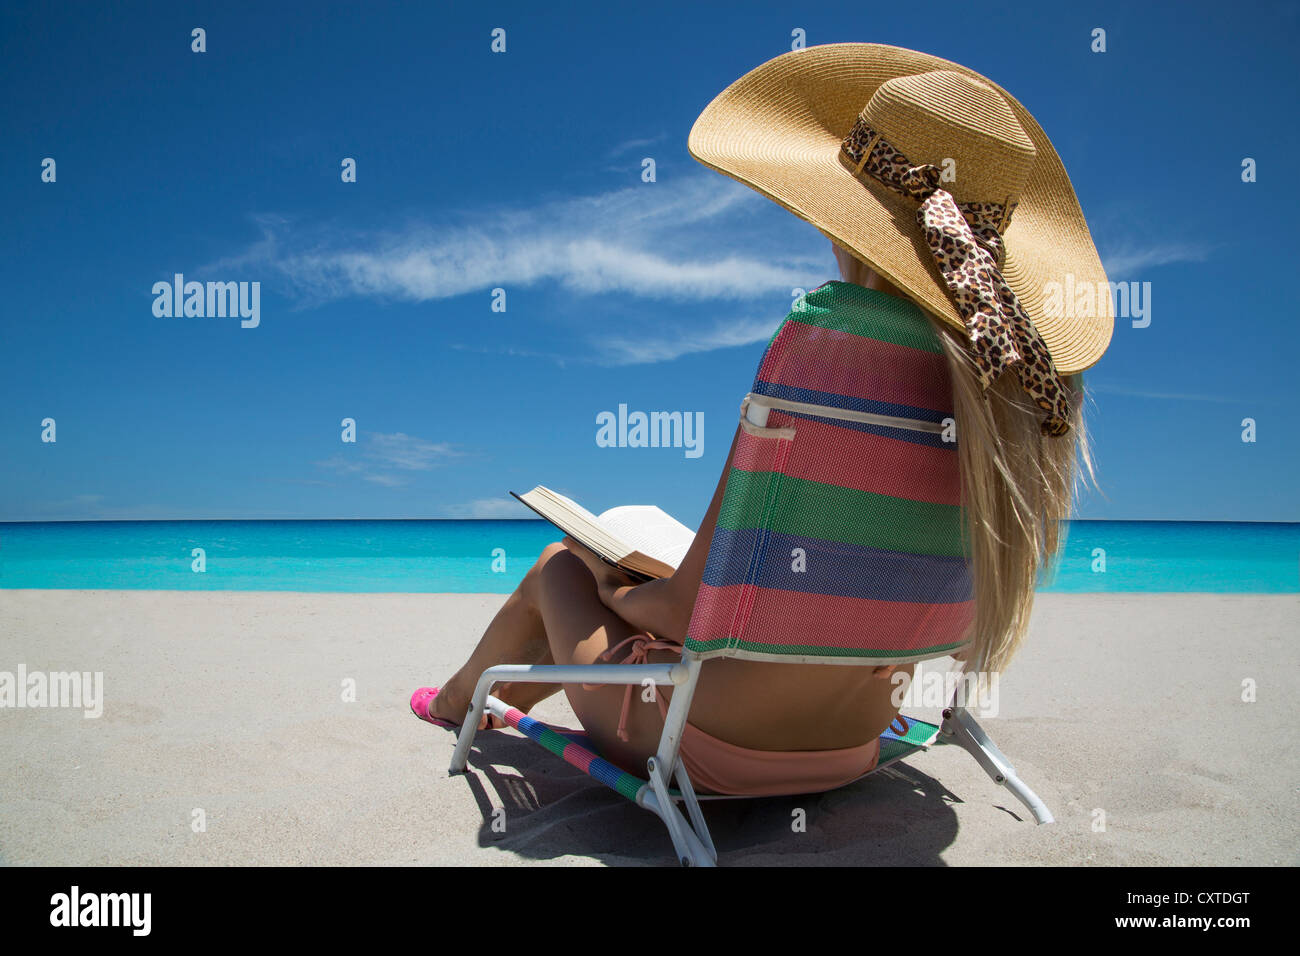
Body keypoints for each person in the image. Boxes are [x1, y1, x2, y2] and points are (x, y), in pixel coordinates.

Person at [412, 43, 1110, 796]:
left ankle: (459, 701)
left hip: (701, 740)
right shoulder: (1011, 406)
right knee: (640, 594)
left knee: (561, 566)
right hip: (856, 745)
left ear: (851, 227)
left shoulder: (836, 366)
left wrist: (617, 592)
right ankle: (474, 698)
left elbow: (684, 610)